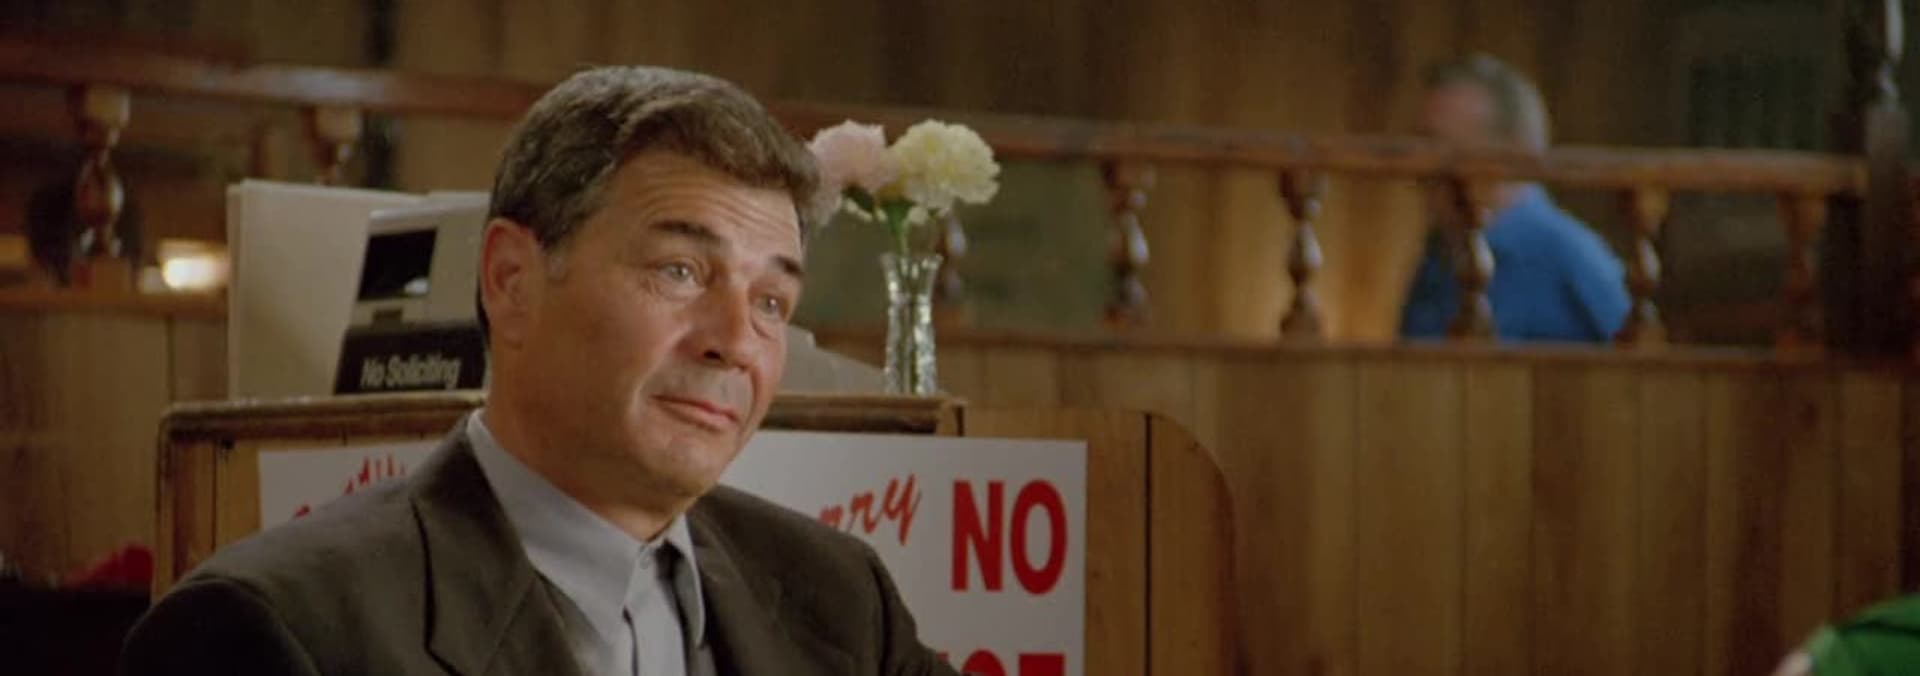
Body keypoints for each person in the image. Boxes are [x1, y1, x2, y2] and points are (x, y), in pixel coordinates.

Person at [121, 66, 957, 676]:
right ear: (511, 281)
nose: (736, 341)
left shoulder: (844, 601)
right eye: (679, 271)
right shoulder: (270, 630)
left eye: (772, 301)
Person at [1398, 54, 1630, 343]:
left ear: (1513, 152)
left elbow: (1634, 362)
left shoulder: (1569, 257)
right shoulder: (1440, 251)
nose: (1422, 167)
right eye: (1420, 145)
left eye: (1440, 146)